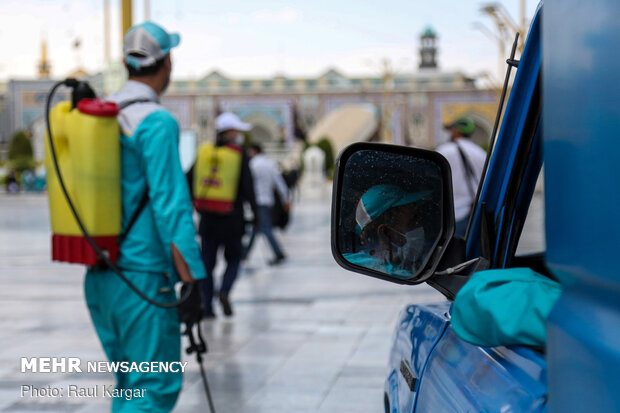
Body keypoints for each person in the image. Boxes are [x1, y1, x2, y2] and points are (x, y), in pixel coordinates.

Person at [85, 22, 206, 413]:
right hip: (143, 278)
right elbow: (171, 205)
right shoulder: (156, 121)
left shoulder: (102, 115)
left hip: (101, 276)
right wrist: (191, 279)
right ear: (167, 62)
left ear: (126, 62)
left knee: (130, 387)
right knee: (153, 387)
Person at [188, 112, 257, 317]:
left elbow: (190, 179)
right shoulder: (238, 154)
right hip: (232, 219)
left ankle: (207, 307)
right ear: (229, 132)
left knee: (207, 265)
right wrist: (256, 211)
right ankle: (225, 291)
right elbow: (247, 185)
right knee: (235, 258)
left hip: (207, 219)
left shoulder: (204, 152)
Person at [343, 184, 434, 278]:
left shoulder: (350, 263)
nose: (419, 226)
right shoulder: (398, 275)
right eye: (412, 221)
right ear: (385, 233)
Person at [436, 116, 486, 238]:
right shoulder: (481, 153)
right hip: (474, 214)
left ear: (457, 131)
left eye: (451, 130)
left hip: (452, 215)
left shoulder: (444, 151)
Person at [245, 143, 290, 265]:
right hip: (267, 201)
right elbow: (279, 183)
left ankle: (278, 253)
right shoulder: (270, 164)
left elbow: (247, 184)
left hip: (256, 201)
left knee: (265, 228)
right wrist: (286, 198)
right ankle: (244, 254)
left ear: (254, 151)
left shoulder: (252, 165)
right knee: (256, 228)